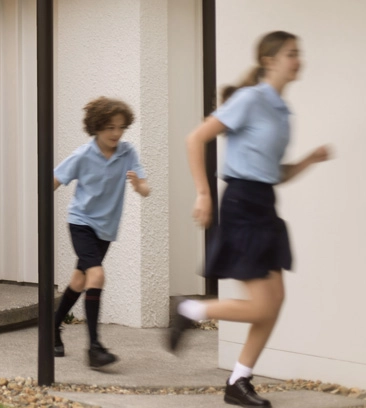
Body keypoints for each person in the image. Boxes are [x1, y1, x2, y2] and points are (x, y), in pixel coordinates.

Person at [171, 31, 330, 407]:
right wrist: (204, 193)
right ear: (270, 60)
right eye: (292, 53)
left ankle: (239, 381)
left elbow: (274, 174)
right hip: (241, 203)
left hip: (264, 203)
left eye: (299, 53)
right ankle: (189, 310)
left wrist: (308, 160)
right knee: (262, 305)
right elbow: (196, 139)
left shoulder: (281, 110)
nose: (298, 59)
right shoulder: (250, 99)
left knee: (274, 302)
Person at [53, 97, 150, 370]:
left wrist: (139, 186)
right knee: (96, 275)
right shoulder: (83, 155)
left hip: (106, 229)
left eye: (120, 127)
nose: (116, 133)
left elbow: (145, 187)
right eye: (110, 127)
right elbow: (54, 179)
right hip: (81, 222)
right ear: (96, 127)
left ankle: (52, 326)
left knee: (79, 280)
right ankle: (95, 347)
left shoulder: (127, 152)